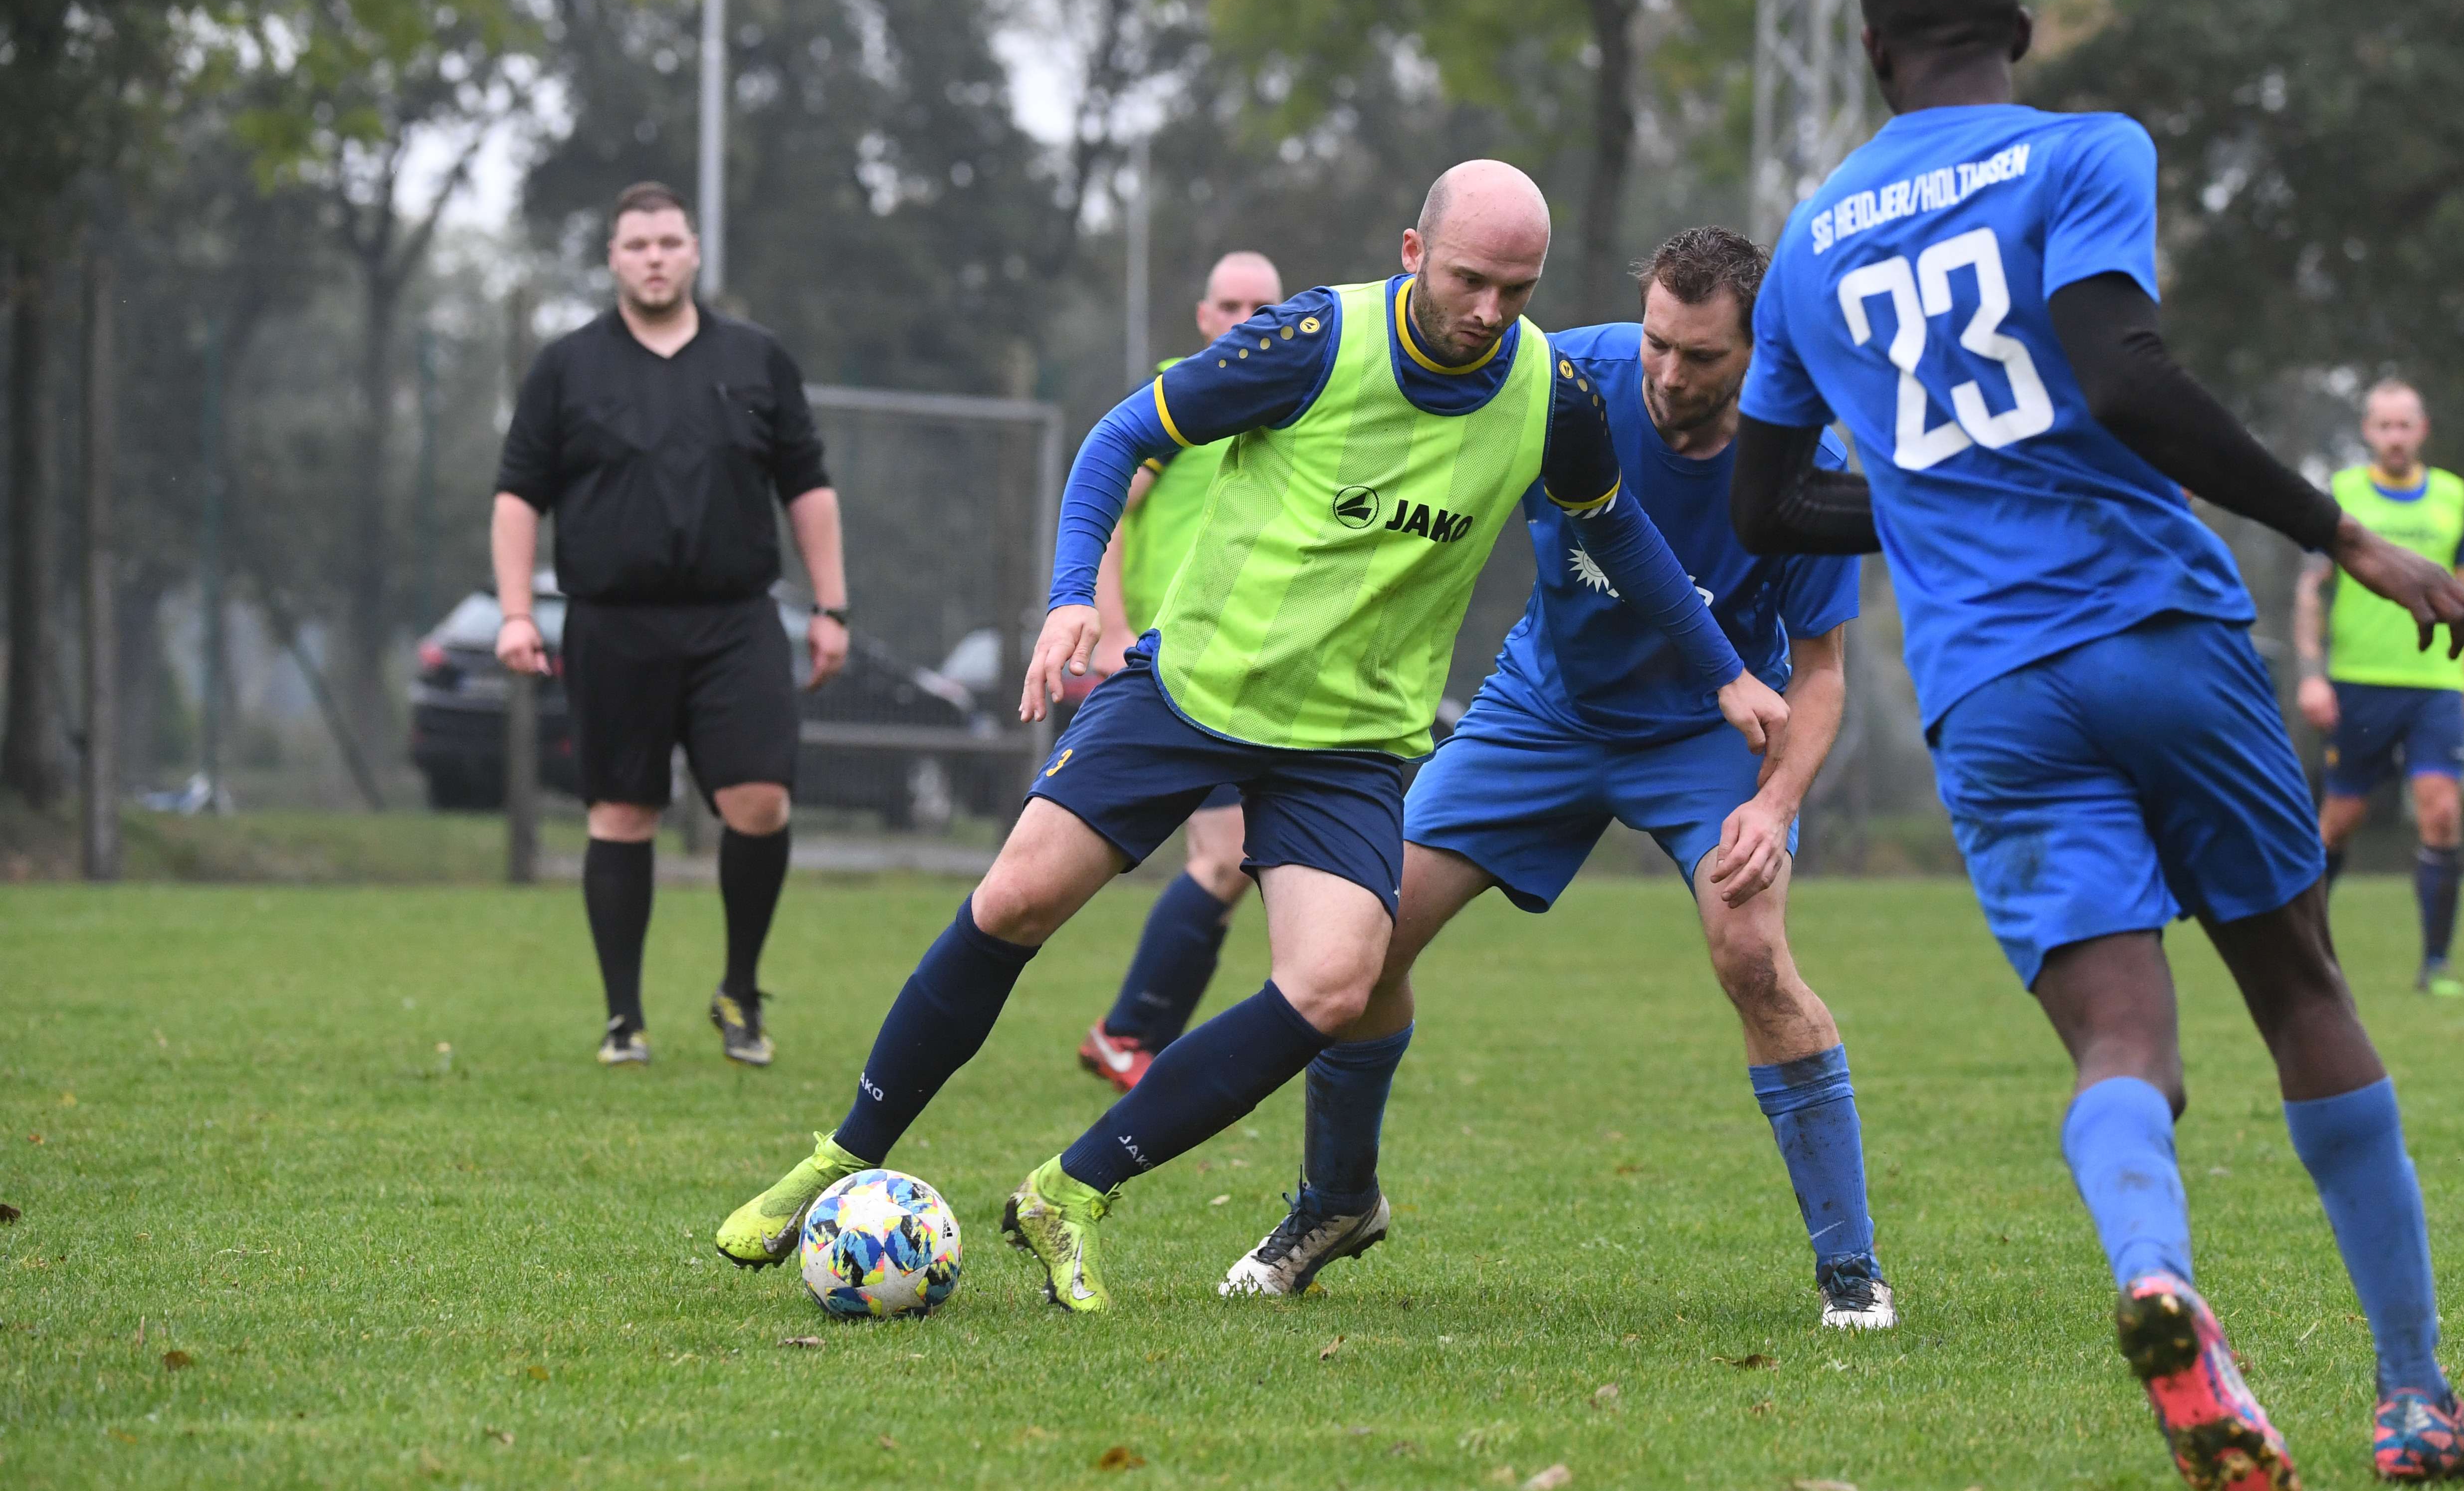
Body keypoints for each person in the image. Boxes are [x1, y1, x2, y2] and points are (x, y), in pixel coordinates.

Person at [712, 160, 1789, 1312]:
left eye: (1515, 290)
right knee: (1017, 899)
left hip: (1348, 743)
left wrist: (1724, 672)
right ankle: (841, 1155)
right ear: (1414, 253)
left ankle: (1069, 1191)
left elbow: (1612, 531)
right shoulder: (1312, 340)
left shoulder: (1549, 391)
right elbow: (1120, 437)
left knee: (1335, 982)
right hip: (1196, 687)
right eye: (1470, 279)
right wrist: (1075, 592)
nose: (1489, 311)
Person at [1731, 0, 2464, 1491]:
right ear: (2014, 28)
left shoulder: (1805, 242)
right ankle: (2411, 1393)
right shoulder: (2082, 151)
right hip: (2159, 633)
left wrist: (1936, 510)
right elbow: (2123, 375)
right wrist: (2339, 533)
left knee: (2121, 1039)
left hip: (1992, 691)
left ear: (1874, 54)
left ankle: (2156, 1273)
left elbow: (1761, 506)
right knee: (2297, 990)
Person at [1218, 225, 1893, 1333]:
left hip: (1709, 734)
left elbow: (1819, 674)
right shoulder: (1564, 376)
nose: (1672, 375)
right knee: (1361, 936)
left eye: (1704, 358)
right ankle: (1338, 1201)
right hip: (1543, 711)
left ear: (1758, 350)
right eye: (1661, 344)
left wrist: (1773, 805)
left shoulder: (1802, 452)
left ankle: (1850, 1267)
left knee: (1755, 958)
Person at [493, 181, 849, 1068]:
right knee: (622, 813)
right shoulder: (567, 366)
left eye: (668, 241)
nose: (653, 256)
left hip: (736, 618)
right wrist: (511, 612)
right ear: (613, 258)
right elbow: (516, 496)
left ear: (694, 252)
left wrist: (832, 605)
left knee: (760, 801)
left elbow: (806, 487)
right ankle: (625, 1017)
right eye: (636, 244)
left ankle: (739, 991)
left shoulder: (757, 359)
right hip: (612, 623)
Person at [1076, 249, 1287, 1090]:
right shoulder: (1187, 394)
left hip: (1251, 669)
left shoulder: (1285, 401)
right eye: (1227, 304)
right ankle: (1128, 1031)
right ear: (1202, 317)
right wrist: (1112, 622)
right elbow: (1110, 499)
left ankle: (1136, 1036)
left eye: (1259, 306)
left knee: (1231, 862)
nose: (1241, 319)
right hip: (1173, 663)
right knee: (1221, 855)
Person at [2293, 381, 2464, 995]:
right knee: (2340, 821)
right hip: (2359, 684)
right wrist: (2313, 674)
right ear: (2368, 432)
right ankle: (2304, 955)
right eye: (2384, 426)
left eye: (2405, 425)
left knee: (2443, 812)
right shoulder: (2342, 494)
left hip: (2434, 684)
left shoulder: (2453, 494)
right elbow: (2309, 591)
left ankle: (2437, 966)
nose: (2395, 437)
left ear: (2422, 430)